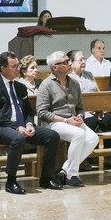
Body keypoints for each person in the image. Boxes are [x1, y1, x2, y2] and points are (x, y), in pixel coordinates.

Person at [0, 51, 62, 194]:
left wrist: (29, 124)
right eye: (14, 66)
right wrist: (17, 127)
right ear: (2, 68)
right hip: (0, 127)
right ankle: (11, 181)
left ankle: (47, 178)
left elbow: (29, 112)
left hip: (22, 126)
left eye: (18, 65)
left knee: (52, 136)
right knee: (17, 138)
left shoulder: (20, 87)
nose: (18, 69)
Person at [36, 51, 99, 187]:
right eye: (64, 62)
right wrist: (65, 121)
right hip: (54, 123)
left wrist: (80, 116)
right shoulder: (46, 85)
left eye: (68, 61)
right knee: (79, 134)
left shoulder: (74, 83)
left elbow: (80, 107)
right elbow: (42, 112)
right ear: (54, 67)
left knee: (93, 138)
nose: (69, 64)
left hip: (72, 121)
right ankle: (72, 175)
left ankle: (64, 170)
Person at [68, 50, 111, 169]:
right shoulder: (68, 79)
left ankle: (109, 156)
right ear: (70, 63)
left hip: (96, 110)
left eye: (84, 59)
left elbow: (97, 93)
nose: (83, 62)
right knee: (91, 121)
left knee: (110, 120)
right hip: (80, 112)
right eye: (80, 60)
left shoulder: (89, 75)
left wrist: (100, 108)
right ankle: (83, 158)